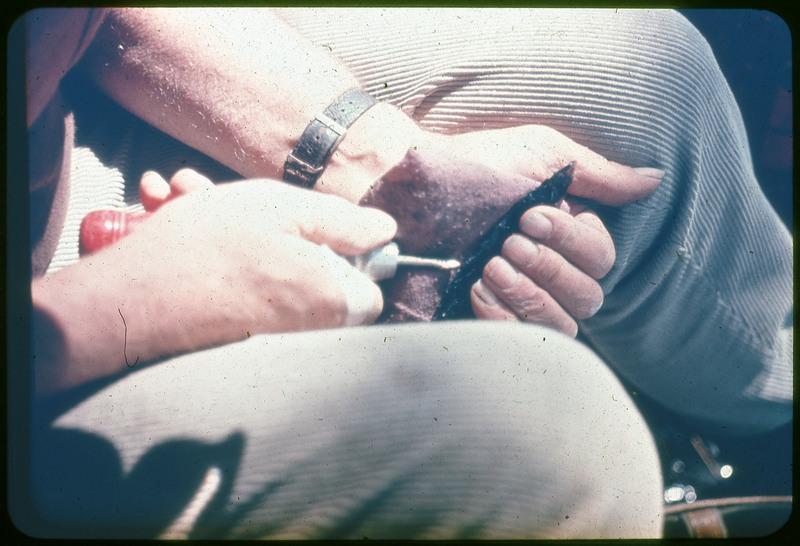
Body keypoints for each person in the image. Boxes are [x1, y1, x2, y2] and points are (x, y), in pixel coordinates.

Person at [12, 7, 792, 539]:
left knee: (647, 87)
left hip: (59, 125)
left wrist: (364, 154)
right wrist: (111, 313)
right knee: (544, 425)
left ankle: (768, 406)